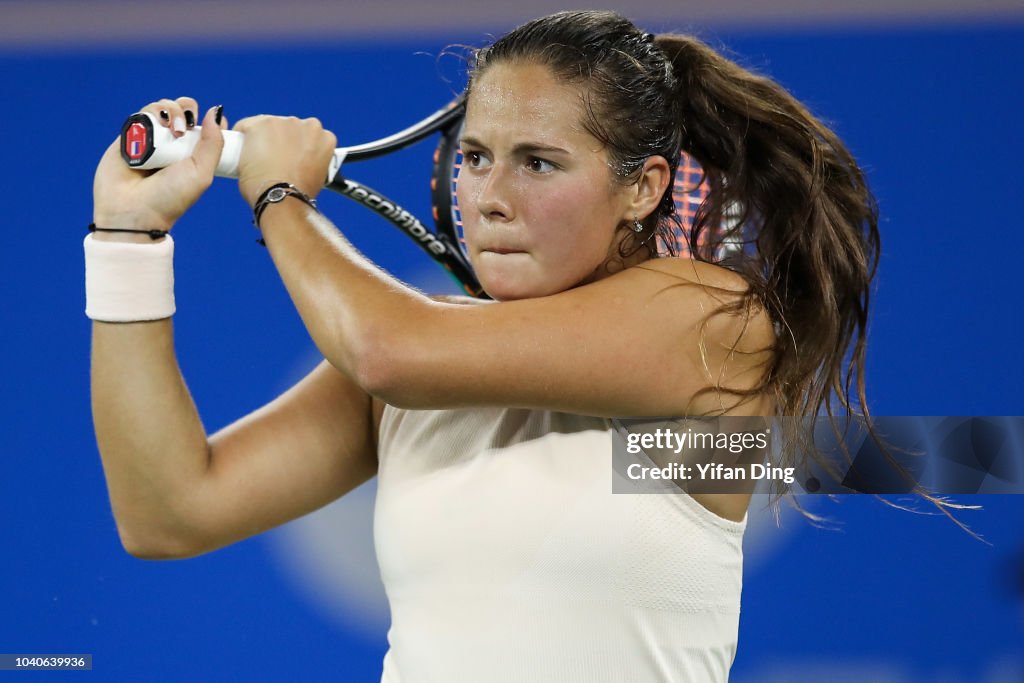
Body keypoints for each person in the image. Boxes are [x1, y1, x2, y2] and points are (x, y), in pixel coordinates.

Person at [86, 10, 948, 682]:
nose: (489, 196)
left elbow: (389, 349)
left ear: (643, 187)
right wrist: (124, 241)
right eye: (473, 157)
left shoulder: (714, 322)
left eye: (538, 162)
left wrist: (281, 193)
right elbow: (169, 510)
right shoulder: (431, 353)